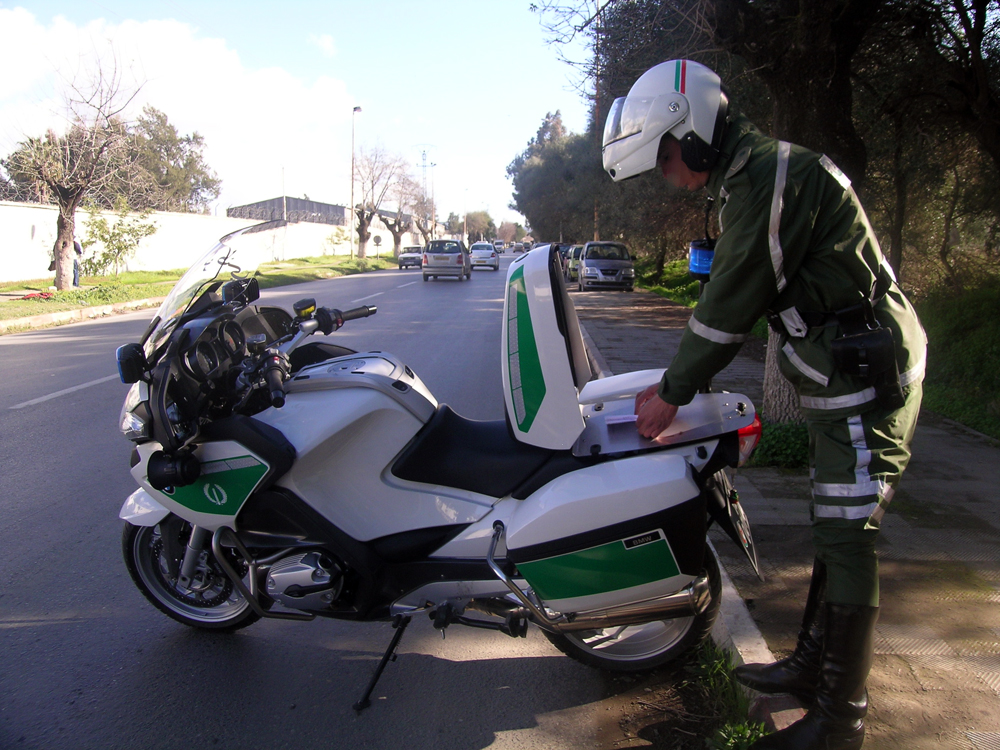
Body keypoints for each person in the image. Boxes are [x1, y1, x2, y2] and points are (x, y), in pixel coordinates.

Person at [602, 59, 926, 750]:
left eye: (661, 159)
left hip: (869, 374)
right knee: (832, 521)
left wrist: (672, 393)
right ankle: (814, 666)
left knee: (848, 530)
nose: (665, 175)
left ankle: (842, 722)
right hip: (844, 373)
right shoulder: (752, 178)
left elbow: (728, 308)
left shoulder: (769, 178)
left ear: (690, 136)